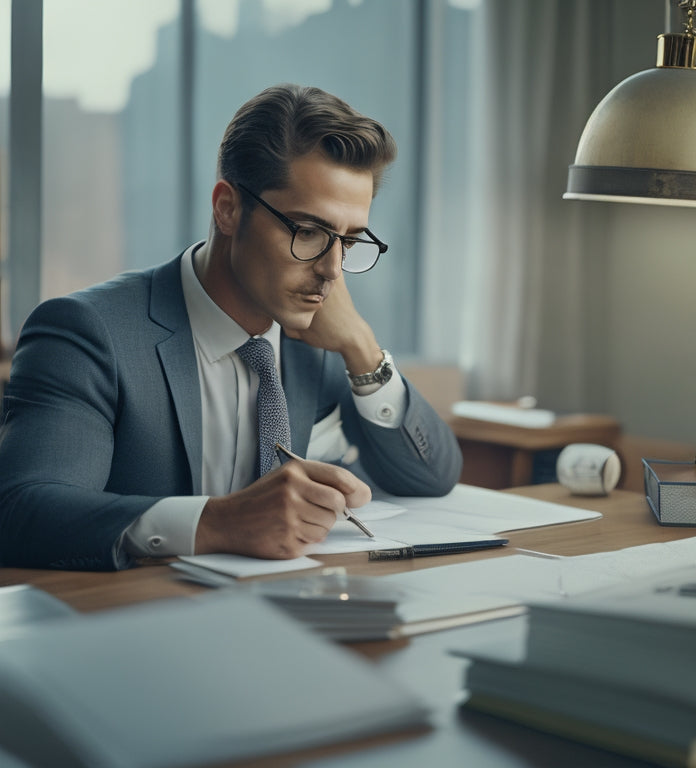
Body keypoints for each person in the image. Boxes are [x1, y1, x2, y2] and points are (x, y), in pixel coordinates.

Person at [0, 84, 463, 571]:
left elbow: (431, 477)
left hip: (298, 615)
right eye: (308, 231)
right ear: (227, 208)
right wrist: (218, 522)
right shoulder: (89, 332)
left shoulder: (319, 335)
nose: (331, 271)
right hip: (135, 620)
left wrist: (361, 347)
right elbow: (19, 510)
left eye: (348, 241)